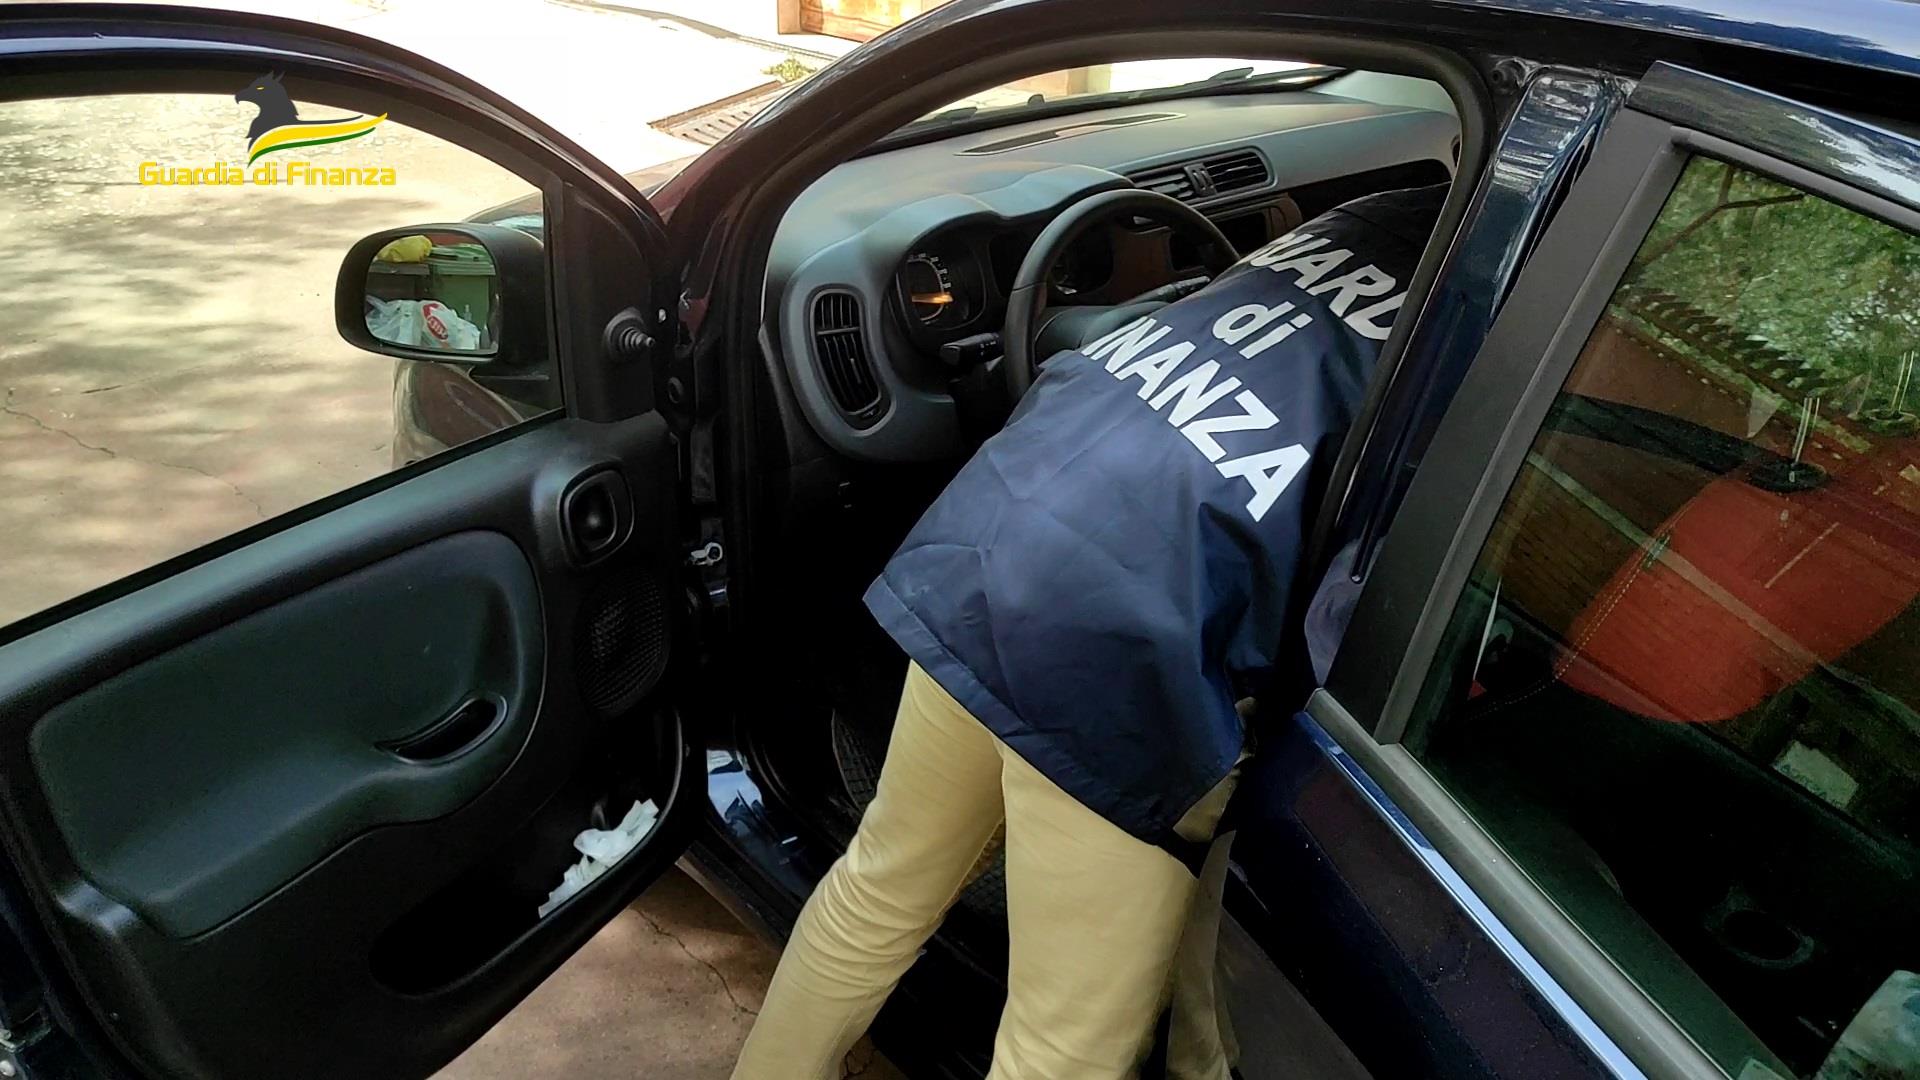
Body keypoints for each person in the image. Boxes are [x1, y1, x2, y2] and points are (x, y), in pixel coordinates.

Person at [732, 183, 1449, 1080]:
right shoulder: (1496, 319)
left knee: (879, 888)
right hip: (1128, 664)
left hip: (995, 549)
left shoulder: (1383, 209)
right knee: (1061, 1049)